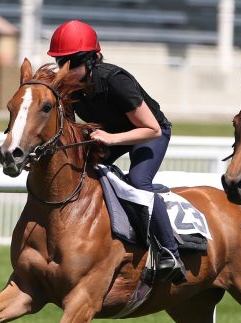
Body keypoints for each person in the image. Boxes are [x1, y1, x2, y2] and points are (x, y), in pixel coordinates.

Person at [47, 20, 186, 283]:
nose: (65, 71)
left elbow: (151, 129)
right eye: (60, 62)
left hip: (148, 133)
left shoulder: (115, 80)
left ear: (92, 60)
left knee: (138, 182)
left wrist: (111, 139)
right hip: (112, 135)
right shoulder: (68, 87)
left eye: (73, 62)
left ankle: (171, 253)